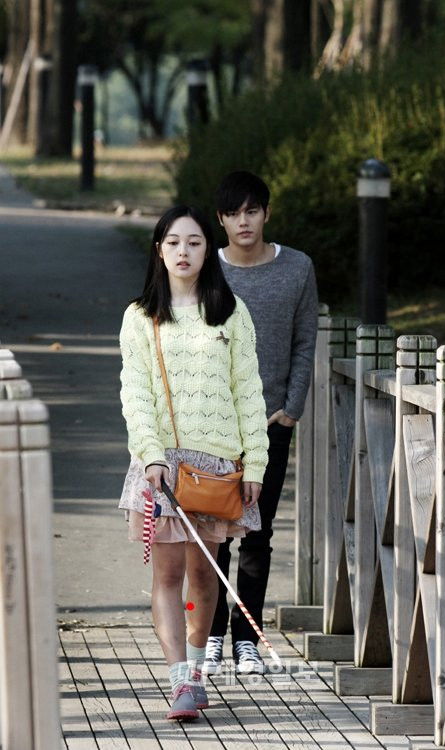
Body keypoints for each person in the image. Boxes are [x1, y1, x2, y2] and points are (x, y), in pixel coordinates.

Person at [118, 205, 268, 721]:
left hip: (217, 466)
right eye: (174, 242)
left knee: (205, 575)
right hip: (161, 466)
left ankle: (199, 671)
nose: (184, 252)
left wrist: (255, 464)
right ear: (159, 250)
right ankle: (181, 679)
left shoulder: (232, 313)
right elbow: (135, 393)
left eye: (195, 242)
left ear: (209, 250)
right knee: (169, 573)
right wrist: (151, 455)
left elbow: (249, 392)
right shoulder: (140, 316)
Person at [205, 171, 318, 674]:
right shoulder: (208, 268)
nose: (243, 222)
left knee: (258, 530)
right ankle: (210, 634)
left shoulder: (297, 268)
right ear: (221, 220)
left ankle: (246, 639)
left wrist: (291, 408)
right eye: (233, 214)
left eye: (252, 211)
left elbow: (305, 341)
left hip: (270, 422)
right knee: (214, 532)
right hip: (213, 424)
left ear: (267, 213)